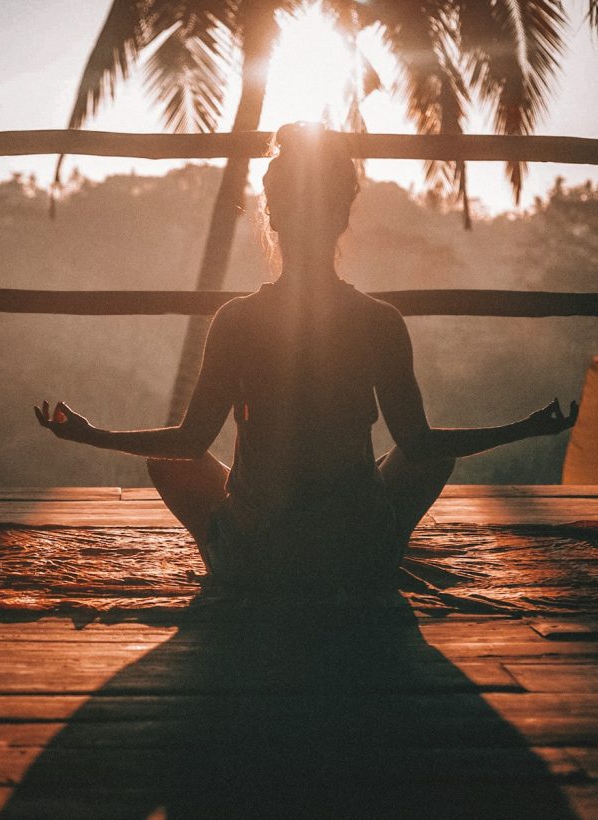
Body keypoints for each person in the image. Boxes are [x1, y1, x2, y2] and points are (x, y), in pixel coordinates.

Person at [35, 122, 578, 593]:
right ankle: (379, 550)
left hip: (257, 560)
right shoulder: (379, 320)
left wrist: (92, 435)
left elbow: (189, 442)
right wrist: (525, 428)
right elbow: (419, 444)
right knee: (432, 455)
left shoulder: (238, 320)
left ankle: (230, 558)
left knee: (168, 462)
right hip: (355, 555)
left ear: (272, 217)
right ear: (342, 218)